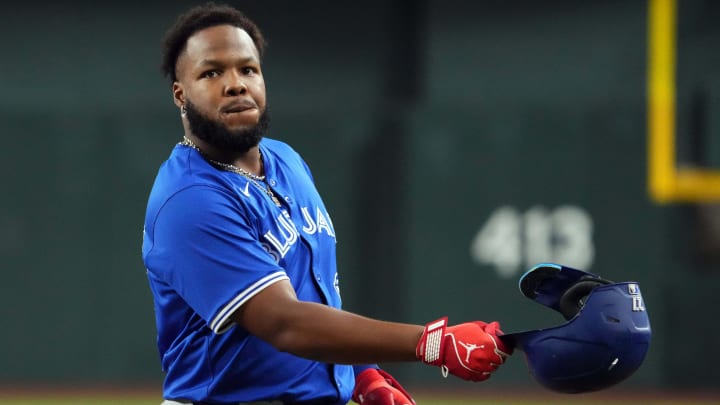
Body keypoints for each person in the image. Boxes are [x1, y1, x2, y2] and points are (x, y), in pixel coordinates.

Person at [142, 3, 512, 405]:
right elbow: (283, 322)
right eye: (211, 72)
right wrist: (431, 342)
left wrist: (360, 374)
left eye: (248, 69)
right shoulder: (189, 200)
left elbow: (311, 296)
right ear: (180, 93)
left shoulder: (287, 161)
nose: (236, 84)